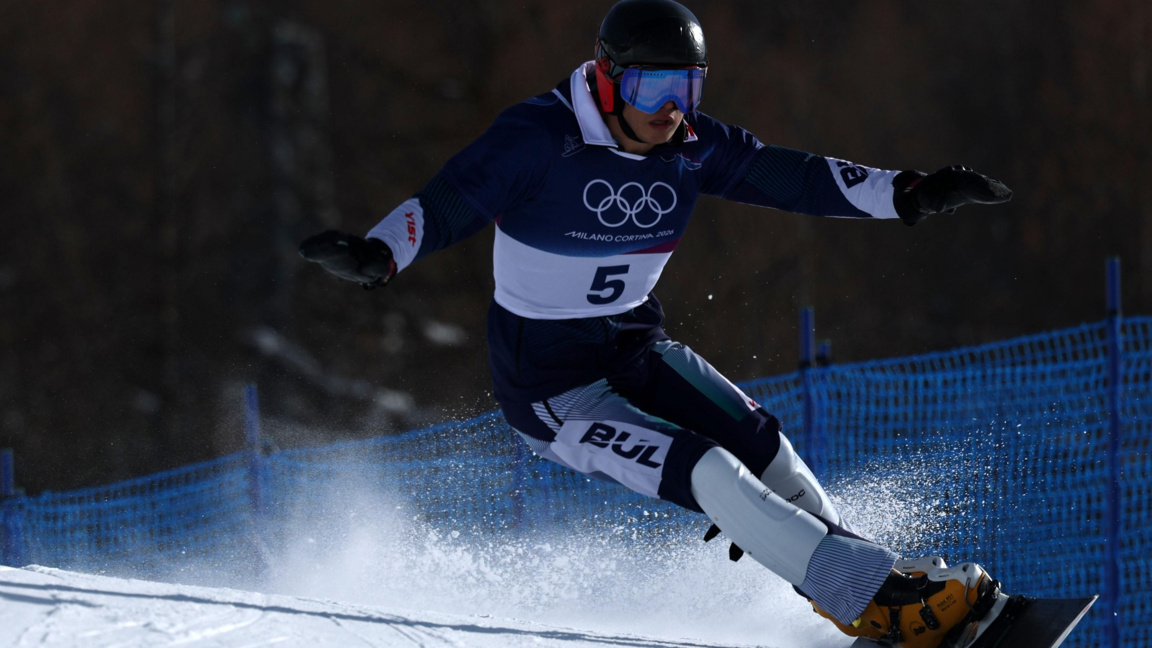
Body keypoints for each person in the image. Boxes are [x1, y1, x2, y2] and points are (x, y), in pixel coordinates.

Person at [299, 1, 1014, 646]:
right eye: (652, 88)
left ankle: (869, 583)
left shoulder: (690, 146)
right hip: (553, 389)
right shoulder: (538, 138)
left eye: (687, 87)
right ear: (609, 79)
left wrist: (912, 193)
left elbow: (793, 176)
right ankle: (873, 600)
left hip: (635, 347)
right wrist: (379, 254)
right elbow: (454, 198)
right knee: (709, 470)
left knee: (764, 447)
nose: (671, 109)